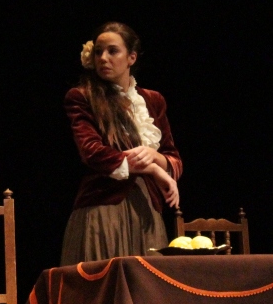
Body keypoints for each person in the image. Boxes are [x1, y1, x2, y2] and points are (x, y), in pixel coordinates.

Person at [60, 22, 183, 264]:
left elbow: (174, 159)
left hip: (146, 210)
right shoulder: (83, 97)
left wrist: (154, 156)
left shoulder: (153, 100)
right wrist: (153, 169)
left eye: (112, 51)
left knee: (147, 283)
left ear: (131, 58)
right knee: (103, 281)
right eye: (98, 52)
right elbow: (93, 153)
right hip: (103, 208)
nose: (103, 58)